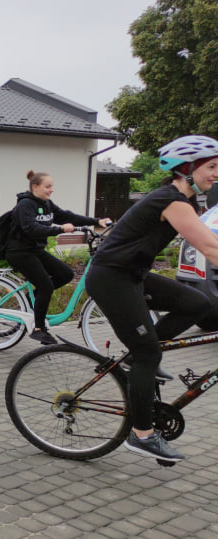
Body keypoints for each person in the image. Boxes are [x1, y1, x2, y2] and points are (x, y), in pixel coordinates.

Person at [86, 135, 218, 463]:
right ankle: (141, 434)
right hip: (111, 278)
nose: (216, 174)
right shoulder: (172, 201)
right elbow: (210, 248)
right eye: (212, 167)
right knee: (147, 355)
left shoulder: (181, 201)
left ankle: (138, 356)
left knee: (199, 304)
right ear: (186, 169)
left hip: (133, 274)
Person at [5, 170, 108, 344]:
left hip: (35, 250)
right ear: (35, 187)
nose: (51, 190)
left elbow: (67, 216)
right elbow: (31, 228)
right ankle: (38, 329)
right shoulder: (25, 205)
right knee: (45, 285)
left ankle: (35, 300)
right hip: (19, 252)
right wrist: (59, 229)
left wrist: (96, 221)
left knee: (65, 274)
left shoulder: (47, 204)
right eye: (48, 186)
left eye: (52, 186)